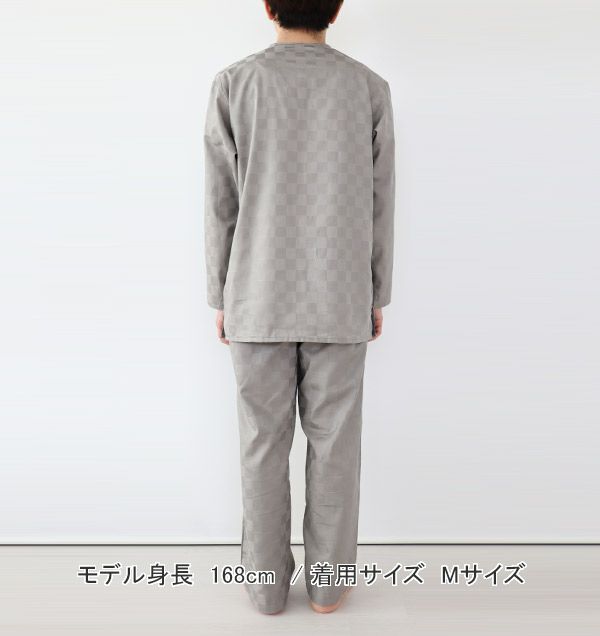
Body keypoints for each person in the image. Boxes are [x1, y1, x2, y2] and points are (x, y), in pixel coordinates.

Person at [203, 0, 395, 616]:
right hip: (340, 293)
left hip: (257, 292)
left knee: (261, 445)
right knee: (336, 446)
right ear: (335, 9)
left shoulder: (235, 84)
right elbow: (380, 201)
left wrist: (220, 293)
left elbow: (221, 201)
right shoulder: (367, 88)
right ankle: (329, 589)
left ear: (268, 6)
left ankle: (265, 592)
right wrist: (377, 290)